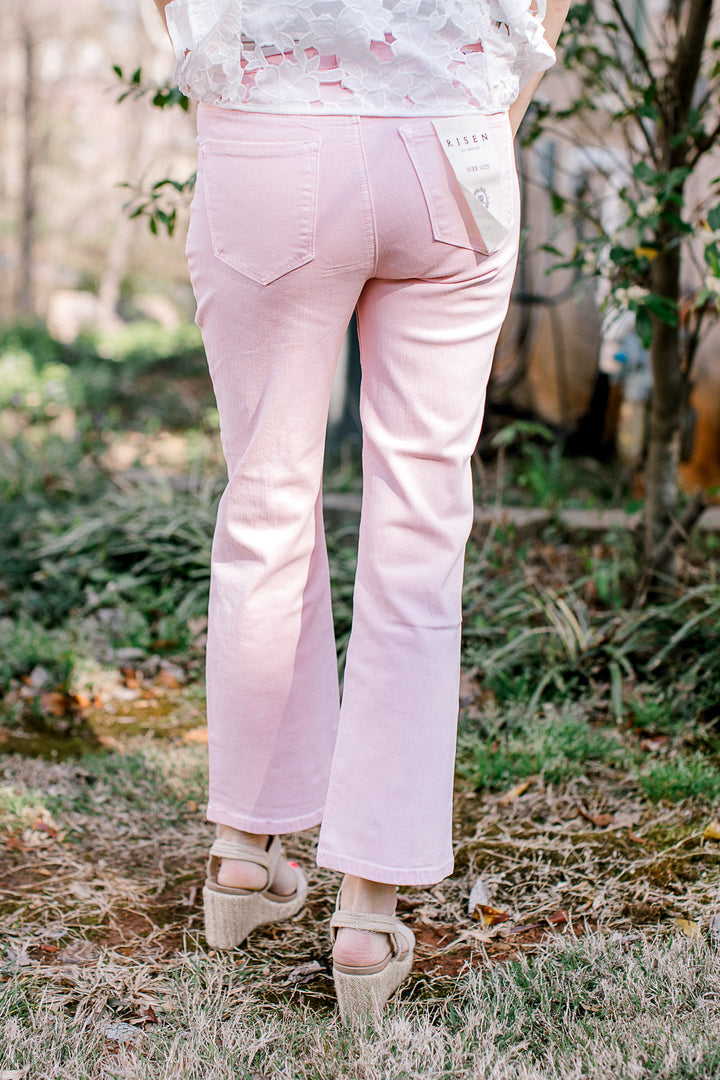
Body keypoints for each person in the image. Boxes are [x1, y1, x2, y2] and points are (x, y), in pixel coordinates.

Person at [152, 0, 569, 1020]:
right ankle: (370, 906)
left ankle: (246, 851)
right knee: (423, 525)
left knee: (265, 499)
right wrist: (500, 94)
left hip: (272, 130)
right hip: (455, 133)